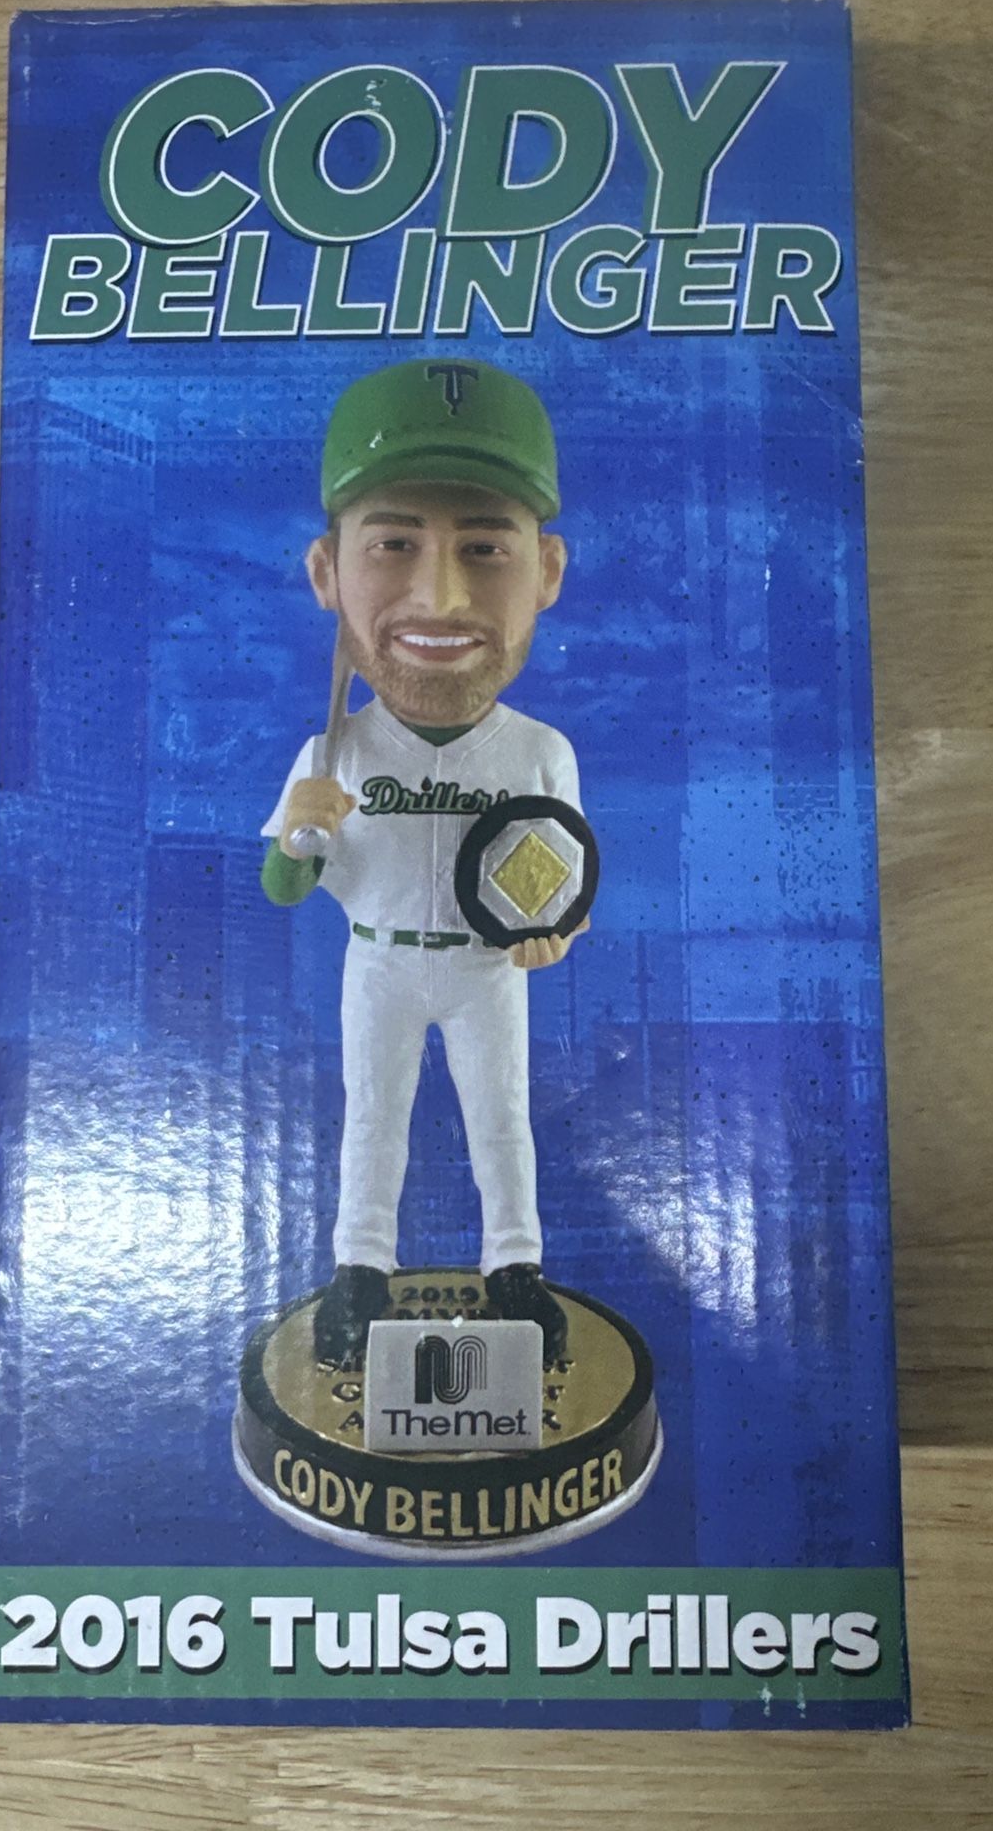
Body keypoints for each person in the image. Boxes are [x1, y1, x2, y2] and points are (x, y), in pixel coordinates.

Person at [261, 358, 589, 1366]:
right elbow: (284, 886)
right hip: (382, 957)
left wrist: (557, 933)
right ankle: (359, 1270)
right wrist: (298, 833)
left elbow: (564, 875)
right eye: (393, 543)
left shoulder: (540, 751)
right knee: (375, 1119)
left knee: (502, 1120)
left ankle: (515, 1268)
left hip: (487, 967)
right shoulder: (334, 751)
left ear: (547, 572)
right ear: (328, 573)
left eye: (484, 548)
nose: (440, 595)